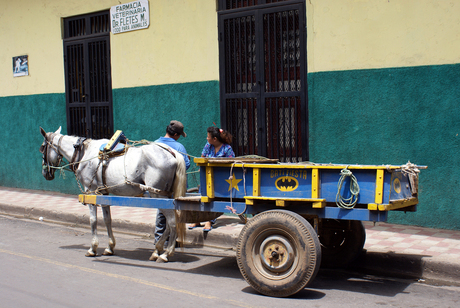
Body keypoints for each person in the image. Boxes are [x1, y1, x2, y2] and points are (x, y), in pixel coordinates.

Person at [188, 126, 235, 231]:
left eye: (208, 136)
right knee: (202, 197)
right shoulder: (208, 146)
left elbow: (231, 164)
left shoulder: (227, 149)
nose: (207, 138)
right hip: (206, 177)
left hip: (220, 179)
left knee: (213, 198)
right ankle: (197, 220)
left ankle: (209, 221)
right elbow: (203, 157)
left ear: (215, 139)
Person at [153, 120, 190, 245]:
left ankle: (158, 239)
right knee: (174, 212)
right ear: (175, 135)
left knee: (161, 211)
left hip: (159, 185)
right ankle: (170, 239)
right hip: (175, 186)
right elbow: (186, 165)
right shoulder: (179, 147)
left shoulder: (155, 145)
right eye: (179, 135)